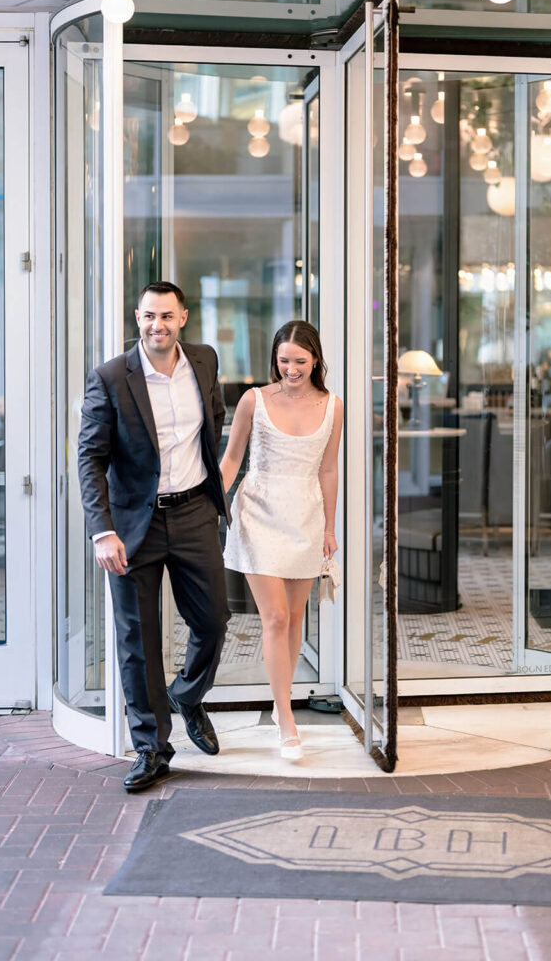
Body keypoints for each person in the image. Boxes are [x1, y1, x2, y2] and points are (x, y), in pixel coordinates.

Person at [77, 282, 231, 792]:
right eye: (148, 316)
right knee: (137, 641)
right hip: (129, 526)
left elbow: (214, 420)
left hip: (192, 515)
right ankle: (151, 748)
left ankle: (187, 694)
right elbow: (91, 458)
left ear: (183, 316)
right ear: (136, 317)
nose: (156, 325)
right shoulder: (110, 377)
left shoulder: (204, 362)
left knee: (213, 620)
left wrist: (212, 492)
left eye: (166, 315)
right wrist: (102, 530)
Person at [221, 321, 343, 760]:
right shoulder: (254, 399)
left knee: (294, 618)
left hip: (306, 517)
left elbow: (328, 469)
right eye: (284, 360)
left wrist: (330, 528)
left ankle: (279, 700)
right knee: (273, 617)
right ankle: (286, 716)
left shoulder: (333, 406)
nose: (291, 369)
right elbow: (232, 457)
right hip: (258, 511)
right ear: (275, 358)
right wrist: (213, 503)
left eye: (300, 361)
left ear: (316, 360)